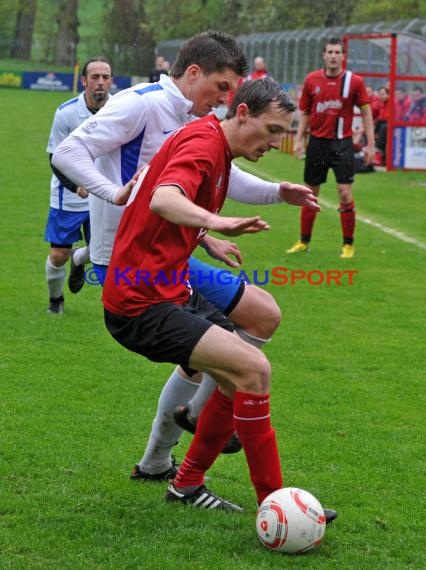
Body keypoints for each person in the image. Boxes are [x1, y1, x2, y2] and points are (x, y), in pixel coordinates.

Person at [53, 31, 320, 482]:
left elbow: (214, 176)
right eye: (222, 86)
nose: (225, 97)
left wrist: (258, 201)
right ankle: (192, 435)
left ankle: (187, 434)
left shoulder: (199, 126)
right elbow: (70, 153)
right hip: (131, 263)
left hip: (168, 253)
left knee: (257, 317)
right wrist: (114, 194)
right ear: (194, 73)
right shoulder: (143, 104)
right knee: (227, 355)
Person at [102, 78, 337, 522]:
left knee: (259, 322)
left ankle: (188, 478)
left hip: (170, 283)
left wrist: (207, 234)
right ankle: (277, 503)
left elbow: (185, 194)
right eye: (272, 131)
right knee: (252, 368)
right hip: (140, 301)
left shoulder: (217, 146)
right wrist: (215, 222)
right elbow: (164, 198)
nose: (275, 142)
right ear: (243, 114)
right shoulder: (204, 145)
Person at [286, 38, 375, 259]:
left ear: (343, 56)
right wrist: (298, 139)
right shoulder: (311, 80)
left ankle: (348, 244)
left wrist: (371, 144)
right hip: (317, 143)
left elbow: (366, 113)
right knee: (310, 193)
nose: (334, 56)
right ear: (324, 55)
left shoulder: (354, 82)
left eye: (337, 52)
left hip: (342, 144)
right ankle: (304, 241)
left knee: (344, 194)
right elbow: (305, 112)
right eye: (330, 52)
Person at [44, 56, 113, 314]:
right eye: (95, 77)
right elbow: (55, 157)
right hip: (69, 196)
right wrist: (76, 186)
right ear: (84, 81)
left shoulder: (121, 108)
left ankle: (79, 258)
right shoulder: (66, 113)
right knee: (58, 255)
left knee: (104, 254)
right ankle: (56, 301)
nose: (100, 83)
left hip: (106, 194)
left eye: (105, 77)